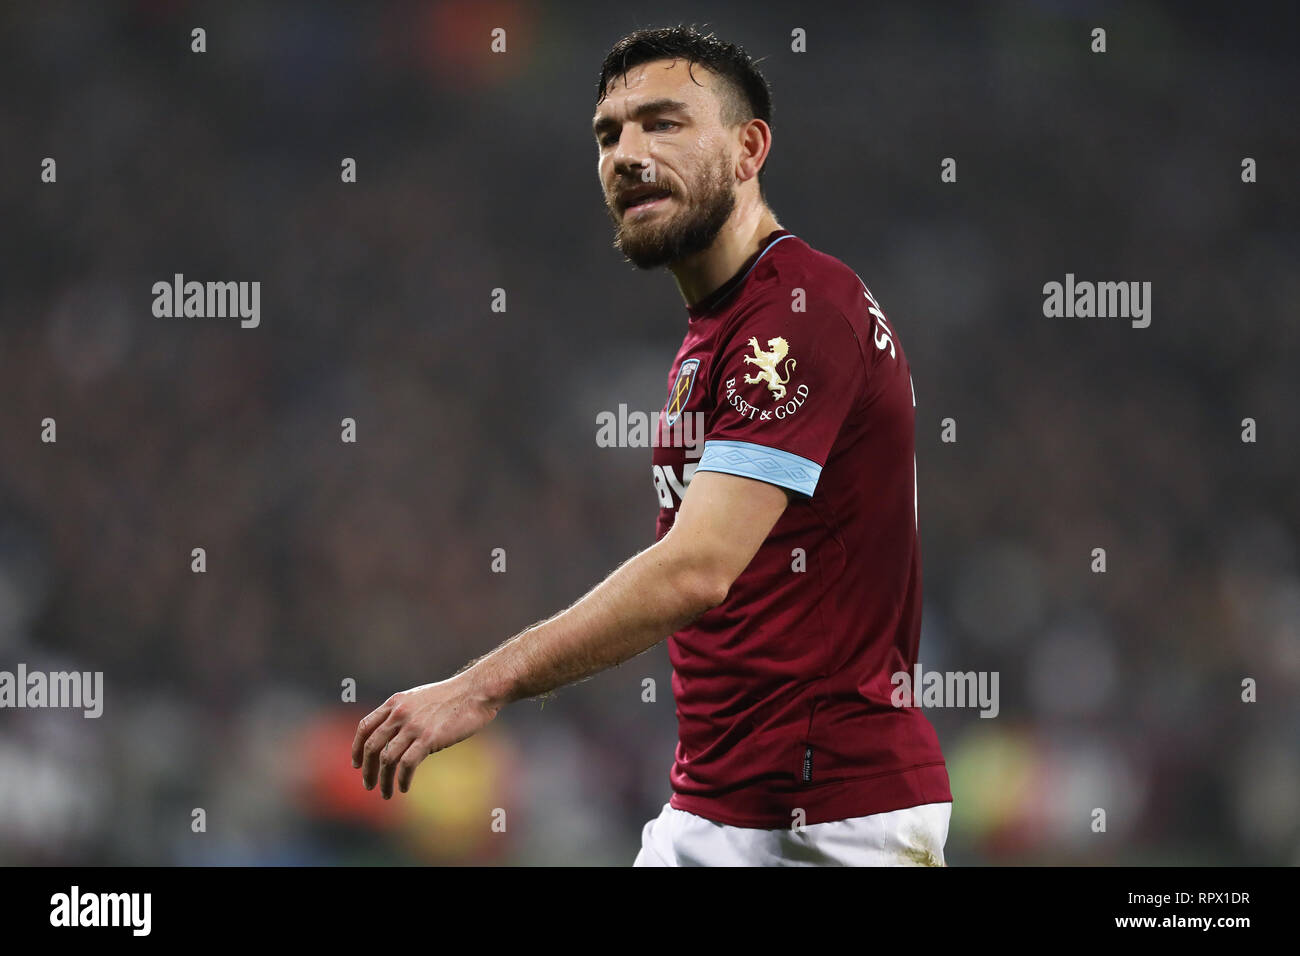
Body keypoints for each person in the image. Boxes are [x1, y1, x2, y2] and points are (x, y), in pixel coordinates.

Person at [352, 25, 952, 866]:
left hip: (825, 816)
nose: (627, 153)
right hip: (720, 805)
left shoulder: (800, 310)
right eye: (610, 133)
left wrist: (478, 687)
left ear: (749, 149)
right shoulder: (719, 328)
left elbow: (698, 568)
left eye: (663, 123)